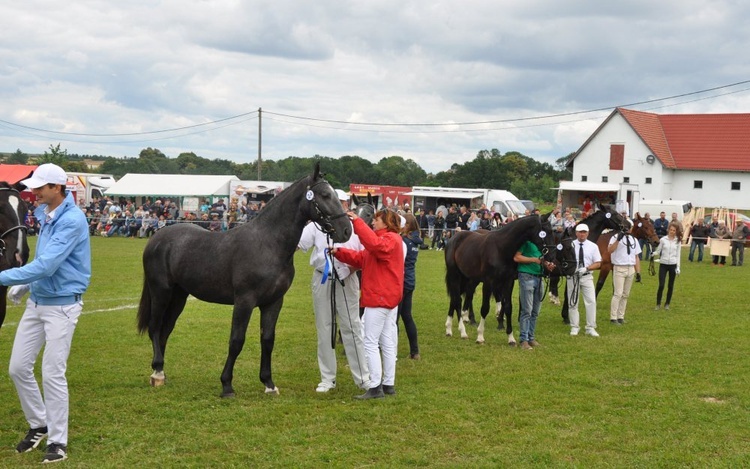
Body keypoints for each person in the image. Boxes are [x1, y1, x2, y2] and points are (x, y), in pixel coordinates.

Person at [0, 163, 91, 464]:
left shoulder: (72, 220)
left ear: (57, 188)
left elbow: (48, 265)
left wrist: (6, 278)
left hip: (62, 307)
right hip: (38, 302)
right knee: (17, 368)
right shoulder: (47, 215)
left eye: (40, 188)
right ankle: (39, 424)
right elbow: (43, 260)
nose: (34, 193)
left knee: (52, 373)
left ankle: (58, 442)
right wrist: (26, 285)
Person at [297, 192, 370, 394]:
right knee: (324, 327)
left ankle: (363, 378)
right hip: (322, 277)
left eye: (342, 202)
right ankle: (327, 378)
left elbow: (365, 255)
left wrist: (349, 269)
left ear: (346, 204)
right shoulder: (316, 226)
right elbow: (297, 244)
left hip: (348, 277)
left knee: (352, 326)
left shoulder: (356, 225)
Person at [332, 209, 404, 400]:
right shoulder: (386, 242)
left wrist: (357, 222)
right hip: (387, 298)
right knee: (386, 341)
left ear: (386, 223)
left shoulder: (389, 240)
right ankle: (388, 383)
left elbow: (372, 245)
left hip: (379, 297)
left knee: (369, 341)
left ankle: (375, 386)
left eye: (376, 220)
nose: (373, 223)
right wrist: (339, 252)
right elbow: (361, 258)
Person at [514, 240, 555, 350]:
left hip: (539, 277)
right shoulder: (526, 243)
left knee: (535, 311)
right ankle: (524, 340)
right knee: (527, 310)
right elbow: (517, 257)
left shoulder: (541, 245)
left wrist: (547, 265)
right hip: (526, 275)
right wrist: (533, 260)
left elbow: (540, 260)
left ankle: (530, 337)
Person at [566, 224, 602, 337]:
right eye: (580, 232)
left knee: (591, 301)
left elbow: (598, 263)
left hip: (586, 276)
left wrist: (587, 268)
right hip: (573, 276)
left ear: (587, 233)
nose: (582, 234)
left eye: (584, 232)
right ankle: (574, 326)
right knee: (573, 302)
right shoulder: (570, 245)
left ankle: (590, 327)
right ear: (576, 233)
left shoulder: (593, 246)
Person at [398, 215, 422, 360]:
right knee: (407, 317)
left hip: (401, 282)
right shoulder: (414, 241)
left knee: (393, 319)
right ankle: (415, 351)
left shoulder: (404, 242)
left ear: (407, 226)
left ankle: (390, 351)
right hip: (410, 282)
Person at [608, 223, 642, 325]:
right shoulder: (614, 237)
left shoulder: (634, 240)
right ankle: (613, 317)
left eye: (629, 227)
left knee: (625, 294)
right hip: (619, 267)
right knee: (618, 293)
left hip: (630, 268)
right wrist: (618, 239)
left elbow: (636, 257)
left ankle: (621, 316)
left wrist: (638, 272)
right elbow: (610, 250)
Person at [653, 224, 681, 310]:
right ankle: (658, 304)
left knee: (670, 285)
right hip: (663, 264)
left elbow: (678, 255)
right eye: (671, 230)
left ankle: (667, 303)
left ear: (676, 232)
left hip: (673, 264)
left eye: (674, 230)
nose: (672, 232)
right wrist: (652, 254)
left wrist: (678, 267)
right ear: (668, 230)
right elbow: (658, 251)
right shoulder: (663, 240)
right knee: (661, 285)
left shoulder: (678, 241)